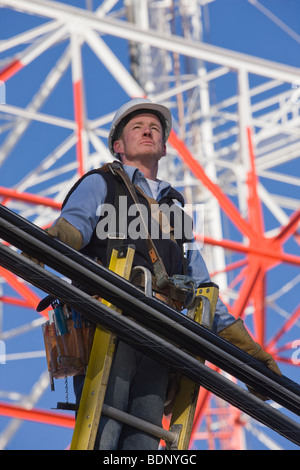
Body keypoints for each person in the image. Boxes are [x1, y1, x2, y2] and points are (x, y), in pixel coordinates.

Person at [46, 98, 281, 450]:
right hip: (107, 321)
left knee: (143, 440)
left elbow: (201, 285)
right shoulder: (100, 183)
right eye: (137, 127)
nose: (147, 130)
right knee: (103, 431)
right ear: (118, 146)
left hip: (160, 333)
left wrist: (248, 355)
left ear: (164, 147)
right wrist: (45, 242)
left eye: (154, 128)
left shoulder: (175, 206)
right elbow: (72, 229)